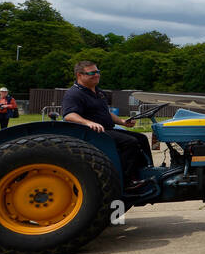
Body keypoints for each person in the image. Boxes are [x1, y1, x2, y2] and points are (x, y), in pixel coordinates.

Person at [61, 61, 151, 190]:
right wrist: (88, 122)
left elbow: (106, 113)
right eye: (92, 73)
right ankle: (127, 182)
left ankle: (145, 172)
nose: (97, 75)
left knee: (141, 138)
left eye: (98, 72)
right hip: (91, 133)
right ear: (79, 75)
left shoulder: (98, 92)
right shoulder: (74, 93)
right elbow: (69, 115)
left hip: (107, 128)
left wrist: (122, 122)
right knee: (129, 143)